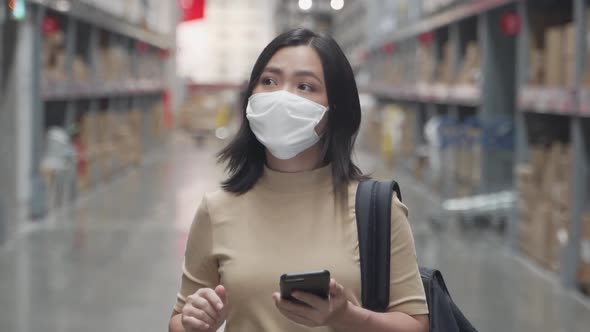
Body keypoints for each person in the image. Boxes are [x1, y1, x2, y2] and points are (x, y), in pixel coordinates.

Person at [168, 28, 429, 332]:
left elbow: (416, 325)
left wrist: (346, 317)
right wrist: (194, 322)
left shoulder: (377, 209)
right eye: (269, 81)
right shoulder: (216, 210)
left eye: (305, 86)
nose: (282, 97)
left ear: (334, 110)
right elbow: (180, 319)